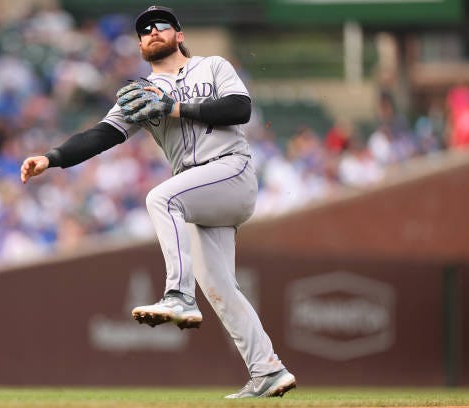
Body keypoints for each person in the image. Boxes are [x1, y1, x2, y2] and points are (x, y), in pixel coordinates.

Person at [20, 5, 296, 399]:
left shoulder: (212, 66)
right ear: (139, 43)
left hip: (230, 170)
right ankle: (267, 370)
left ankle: (179, 296)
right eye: (144, 30)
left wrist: (175, 108)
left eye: (160, 26)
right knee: (219, 287)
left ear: (178, 34)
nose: (151, 32)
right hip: (200, 191)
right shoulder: (142, 94)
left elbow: (240, 108)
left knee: (161, 198)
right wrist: (52, 157)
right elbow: (101, 134)